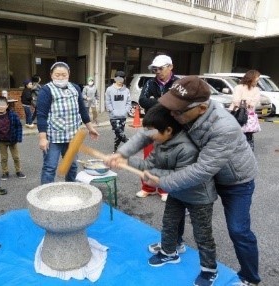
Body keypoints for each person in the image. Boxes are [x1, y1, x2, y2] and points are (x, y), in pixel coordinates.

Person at [108, 76, 261, 286]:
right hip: (200, 173)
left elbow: (201, 170)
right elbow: (149, 132)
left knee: (238, 229)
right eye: (172, 107)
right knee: (176, 207)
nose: (172, 113)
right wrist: (123, 154)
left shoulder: (223, 127)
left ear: (201, 108)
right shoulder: (179, 112)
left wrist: (161, 181)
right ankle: (173, 246)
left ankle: (250, 278)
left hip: (235, 179)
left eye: (178, 110)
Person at [122, 104, 218, 286]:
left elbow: (182, 176)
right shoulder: (159, 143)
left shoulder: (187, 148)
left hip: (198, 196)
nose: (148, 136)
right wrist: (124, 160)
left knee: (202, 234)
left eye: (151, 132)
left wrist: (156, 179)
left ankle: (209, 270)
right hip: (176, 193)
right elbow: (148, 165)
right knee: (169, 222)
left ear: (168, 129)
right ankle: (169, 252)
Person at [36, 61, 99, 184]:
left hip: (72, 136)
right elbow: (41, 116)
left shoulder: (75, 88)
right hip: (53, 137)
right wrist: (42, 138)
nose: (60, 77)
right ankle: (45, 194)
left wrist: (90, 128)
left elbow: (82, 110)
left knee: (72, 165)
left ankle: (70, 188)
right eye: (57, 75)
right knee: (50, 167)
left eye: (63, 75)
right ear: (51, 75)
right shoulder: (46, 90)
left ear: (68, 74)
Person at [137, 54, 179, 201]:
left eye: (160, 68)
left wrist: (155, 101)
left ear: (170, 67)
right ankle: (148, 187)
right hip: (151, 125)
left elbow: (177, 103)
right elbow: (142, 101)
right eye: (155, 69)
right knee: (148, 158)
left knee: (166, 159)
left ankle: (163, 188)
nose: (157, 72)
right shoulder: (150, 82)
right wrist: (164, 103)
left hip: (169, 127)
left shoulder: (178, 83)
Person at [0, 97, 26, 180]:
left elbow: (19, 126)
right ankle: (5, 172)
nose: (1, 107)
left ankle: (18, 171)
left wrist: (18, 138)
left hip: (12, 139)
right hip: (1, 141)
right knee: (3, 158)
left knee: (16, 157)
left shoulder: (13, 115)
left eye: (3, 105)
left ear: (7, 105)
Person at [230, 70, 261, 151]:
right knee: (235, 132)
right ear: (251, 78)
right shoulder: (238, 87)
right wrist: (249, 101)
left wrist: (244, 100)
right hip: (237, 113)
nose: (257, 82)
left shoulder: (256, 90)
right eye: (256, 80)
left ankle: (248, 152)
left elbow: (254, 102)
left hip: (249, 116)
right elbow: (236, 101)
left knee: (248, 133)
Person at [105, 70, 131, 152]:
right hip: (113, 116)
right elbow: (107, 102)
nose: (119, 81)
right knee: (118, 132)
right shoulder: (109, 89)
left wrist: (126, 111)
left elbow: (128, 102)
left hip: (123, 116)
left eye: (121, 79)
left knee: (119, 134)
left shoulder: (126, 90)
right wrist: (112, 110)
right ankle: (130, 143)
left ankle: (115, 149)